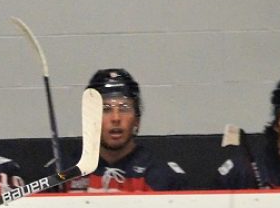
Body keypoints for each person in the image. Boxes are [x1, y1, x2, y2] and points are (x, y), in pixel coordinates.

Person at [60, 68, 189, 193]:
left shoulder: (164, 176)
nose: (116, 118)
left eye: (124, 108)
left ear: (137, 120)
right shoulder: (63, 172)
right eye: (106, 109)